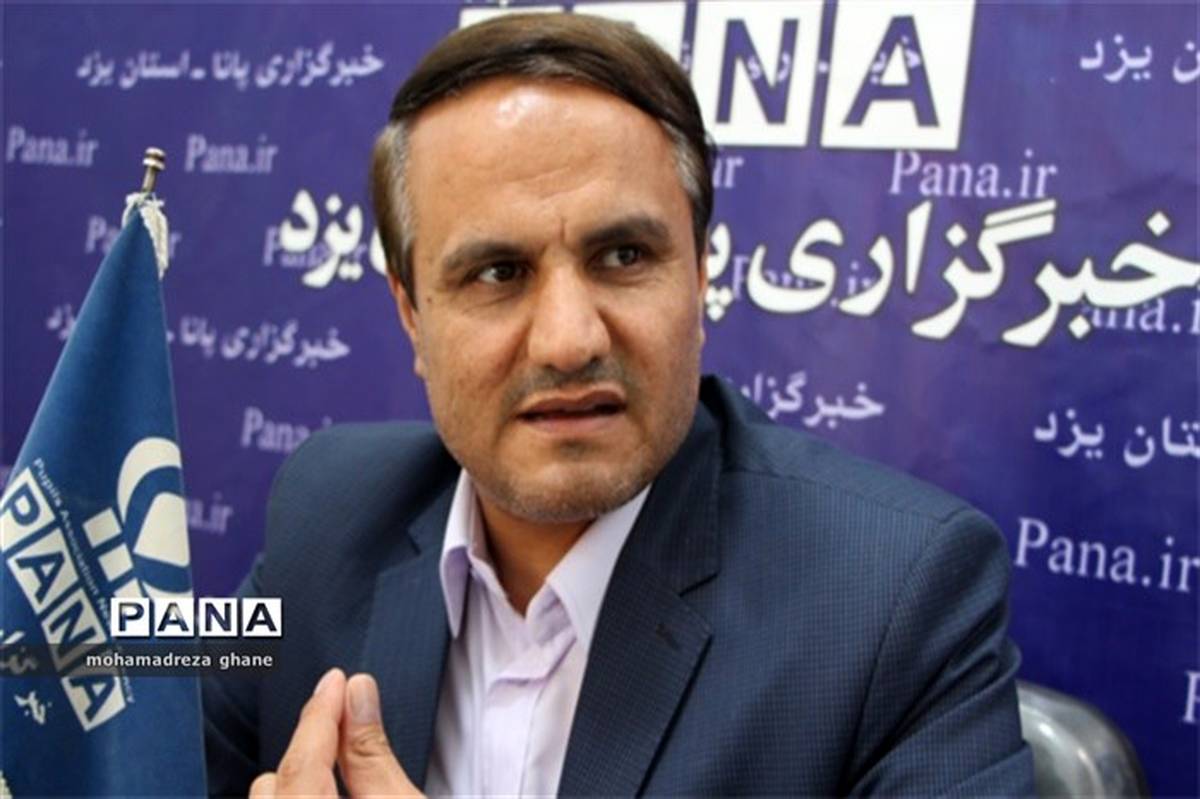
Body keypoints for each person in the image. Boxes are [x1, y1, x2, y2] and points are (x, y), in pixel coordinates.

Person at [203, 12, 1033, 797]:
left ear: (699, 279)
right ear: (411, 313)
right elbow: (138, 678)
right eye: (497, 273)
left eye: (624, 256)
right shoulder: (329, 508)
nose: (569, 341)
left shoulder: (895, 596)